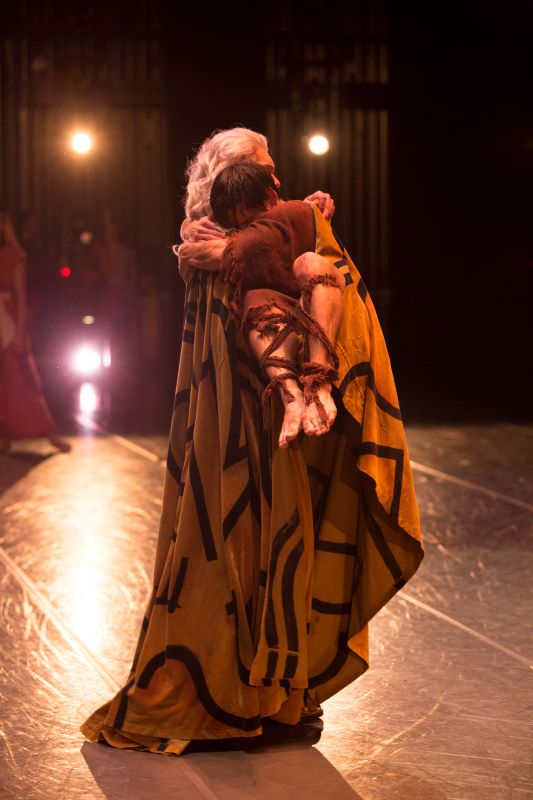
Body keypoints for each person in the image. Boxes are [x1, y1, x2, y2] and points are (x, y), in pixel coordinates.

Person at [80, 128, 423, 757]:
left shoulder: (234, 235)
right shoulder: (206, 236)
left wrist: (302, 229)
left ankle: (279, 694)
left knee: (280, 539)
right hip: (240, 418)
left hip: (259, 409)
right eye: (267, 167)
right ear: (236, 178)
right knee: (249, 540)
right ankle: (251, 693)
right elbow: (282, 264)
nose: (278, 178)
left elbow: (315, 263)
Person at [0, 209, 70, 454]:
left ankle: (49, 432)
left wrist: (19, 329)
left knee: (22, 377)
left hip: (9, 320)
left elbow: (20, 294)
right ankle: (4, 437)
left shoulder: (15, 255)